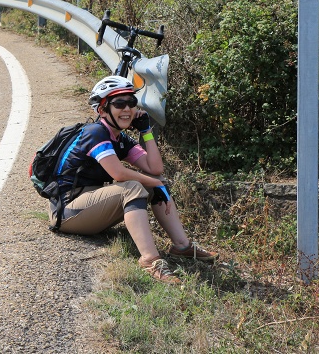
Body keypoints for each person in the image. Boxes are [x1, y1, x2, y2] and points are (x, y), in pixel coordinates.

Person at [50, 75, 217, 284]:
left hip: (91, 205)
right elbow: (119, 174)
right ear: (102, 110)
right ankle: (150, 260)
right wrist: (154, 183)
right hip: (68, 211)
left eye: (131, 102)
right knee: (134, 187)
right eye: (119, 103)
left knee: (155, 180)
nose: (127, 108)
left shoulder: (120, 139)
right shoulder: (95, 133)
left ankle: (181, 246)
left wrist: (146, 130)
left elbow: (155, 168)